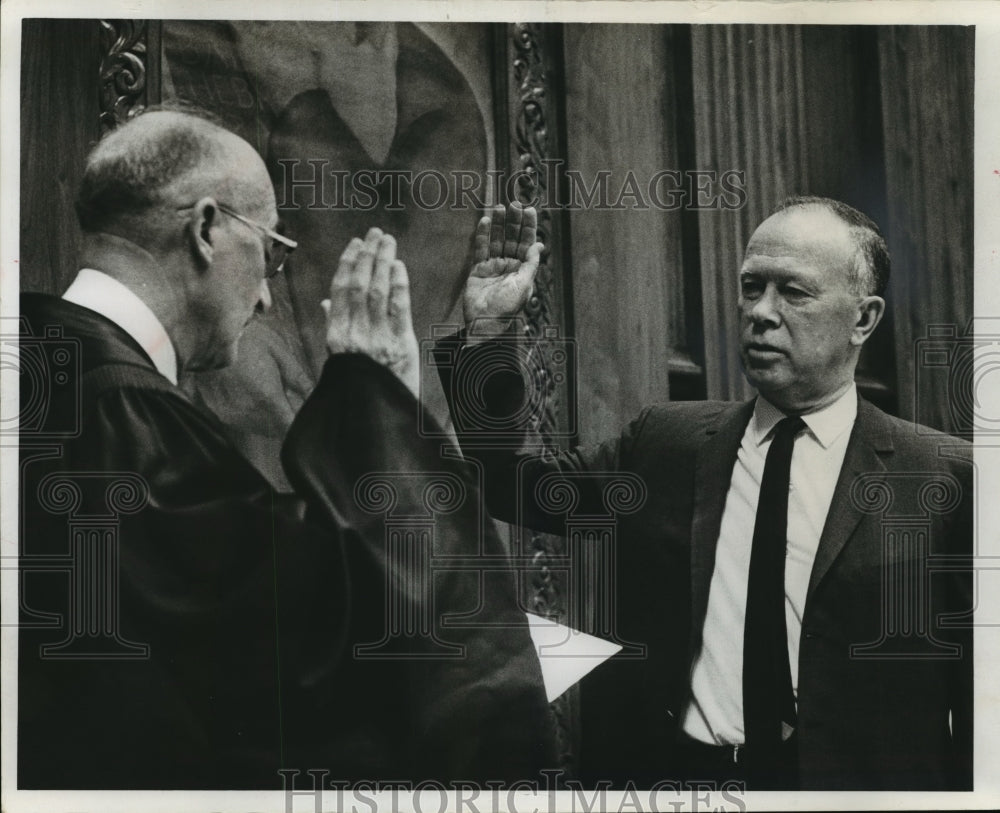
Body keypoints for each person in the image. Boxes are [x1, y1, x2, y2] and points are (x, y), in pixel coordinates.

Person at [17, 110, 555, 789]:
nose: (269, 296)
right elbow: (319, 649)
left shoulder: (36, 370)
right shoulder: (124, 413)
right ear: (208, 228)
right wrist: (377, 404)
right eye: (271, 252)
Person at [438, 198, 973, 790]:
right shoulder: (667, 444)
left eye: (793, 292)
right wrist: (486, 337)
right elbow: (512, 486)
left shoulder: (945, 477)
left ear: (863, 319)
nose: (760, 313)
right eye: (751, 287)